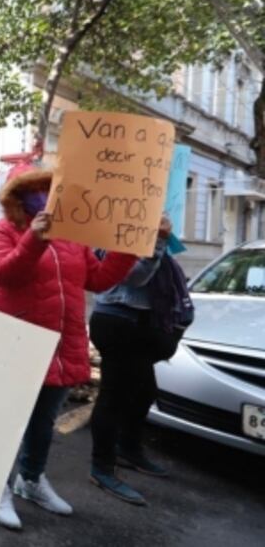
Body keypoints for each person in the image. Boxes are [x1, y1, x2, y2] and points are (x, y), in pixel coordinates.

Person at [0, 163, 136, 531]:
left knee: (43, 422)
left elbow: (98, 279)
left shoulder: (72, 236)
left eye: (47, 189)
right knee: (7, 424)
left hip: (62, 346)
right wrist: (34, 240)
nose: (42, 197)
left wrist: (127, 248)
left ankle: (31, 479)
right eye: (32, 190)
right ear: (15, 198)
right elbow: (3, 272)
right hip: (18, 346)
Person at [89, 216, 175, 505]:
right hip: (116, 320)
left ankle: (128, 449)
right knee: (113, 397)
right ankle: (102, 467)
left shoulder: (140, 218)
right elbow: (133, 276)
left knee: (144, 391)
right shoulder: (108, 224)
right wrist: (159, 241)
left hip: (138, 321)